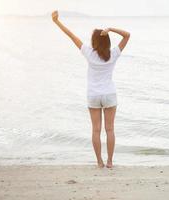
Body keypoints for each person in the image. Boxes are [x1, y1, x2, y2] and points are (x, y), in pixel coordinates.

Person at [51, 10, 130, 168]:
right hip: (109, 94)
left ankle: (99, 162)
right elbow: (127, 35)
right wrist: (110, 29)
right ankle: (110, 162)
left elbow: (71, 35)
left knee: (96, 130)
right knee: (110, 129)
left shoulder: (89, 53)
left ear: (94, 41)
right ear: (107, 42)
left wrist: (56, 21)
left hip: (93, 95)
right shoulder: (113, 54)